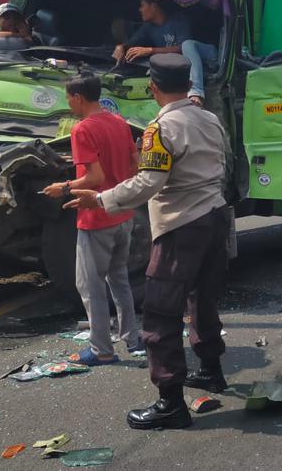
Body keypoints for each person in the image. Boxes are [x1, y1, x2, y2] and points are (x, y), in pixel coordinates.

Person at [64, 54, 231, 431]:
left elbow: (149, 182)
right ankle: (211, 370)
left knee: (159, 313)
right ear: (188, 86)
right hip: (216, 218)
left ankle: (170, 402)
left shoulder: (161, 127)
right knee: (202, 300)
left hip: (181, 225)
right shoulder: (210, 118)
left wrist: (101, 199)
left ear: (153, 88)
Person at [43, 75, 142, 366]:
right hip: (123, 212)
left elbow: (95, 178)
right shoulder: (119, 122)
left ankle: (102, 350)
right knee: (120, 279)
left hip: (96, 216)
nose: (67, 103)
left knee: (90, 286)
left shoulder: (82, 130)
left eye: (68, 98)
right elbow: (135, 165)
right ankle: (132, 339)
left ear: (78, 97)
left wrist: (62, 188)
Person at [112, 0, 219, 107]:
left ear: (153, 6)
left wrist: (150, 50)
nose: (140, 9)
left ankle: (196, 94)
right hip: (187, 66)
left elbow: (182, 48)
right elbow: (131, 43)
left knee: (187, 44)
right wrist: (122, 47)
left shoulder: (179, 20)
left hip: (208, 56)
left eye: (142, 5)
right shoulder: (148, 27)